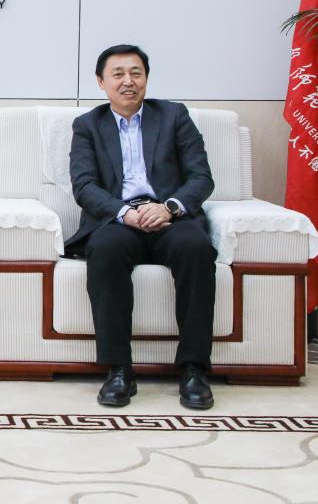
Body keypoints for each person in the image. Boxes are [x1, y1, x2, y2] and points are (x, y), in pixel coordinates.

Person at [64, 44, 217, 410]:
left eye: (136, 73)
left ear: (146, 78)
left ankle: (194, 370)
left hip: (169, 217)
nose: (128, 81)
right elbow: (84, 186)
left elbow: (201, 177)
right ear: (101, 82)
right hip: (120, 219)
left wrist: (169, 208)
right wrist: (124, 213)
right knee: (104, 249)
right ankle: (118, 370)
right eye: (117, 74)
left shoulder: (174, 116)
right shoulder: (88, 125)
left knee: (196, 248)